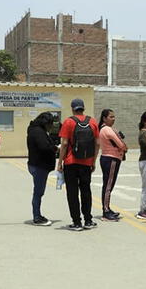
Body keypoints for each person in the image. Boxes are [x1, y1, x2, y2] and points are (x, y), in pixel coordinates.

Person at [57, 98, 100, 231]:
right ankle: (88, 220)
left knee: (72, 192)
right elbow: (97, 143)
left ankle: (76, 222)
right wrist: (93, 161)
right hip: (86, 162)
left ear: (72, 108)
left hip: (71, 162)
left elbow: (64, 144)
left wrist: (60, 162)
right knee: (86, 191)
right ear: (83, 108)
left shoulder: (68, 122)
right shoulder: (92, 122)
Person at [26, 112, 58, 226]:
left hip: (37, 165)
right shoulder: (38, 132)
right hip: (39, 166)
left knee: (38, 192)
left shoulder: (35, 130)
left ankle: (37, 215)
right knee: (38, 192)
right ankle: (37, 217)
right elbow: (44, 147)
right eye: (50, 123)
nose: (51, 126)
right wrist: (55, 149)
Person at [98, 109, 128, 222]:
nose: (113, 119)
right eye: (111, 117)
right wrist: (124, 147)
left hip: (110, 158)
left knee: (108, 185)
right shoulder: (107, 130)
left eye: (114, 116)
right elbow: (121, 145)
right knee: (108, 186)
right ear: (104, 118)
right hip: (111, 159)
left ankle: (107, 208)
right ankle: (105, 211)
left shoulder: (107, 129)